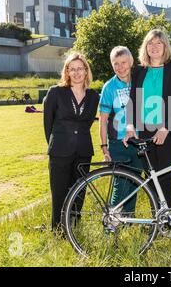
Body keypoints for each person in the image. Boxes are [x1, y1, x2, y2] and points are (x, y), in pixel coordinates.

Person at [124, 29, 171, 208]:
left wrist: (165, 128)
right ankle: (157, 218)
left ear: (165, 46)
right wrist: (130, 125)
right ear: (145, 47)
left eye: (158, 43)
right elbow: (132, 101)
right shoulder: (138, 71)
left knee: (165, 174)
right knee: (150, 175)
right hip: (144, 129)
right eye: (150, 43)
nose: (154, 47)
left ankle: (167, 219)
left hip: (169, 130)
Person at [43, 52, 99, 233]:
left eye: (80, 69)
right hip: (59, 150)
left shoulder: (93, 96)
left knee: (79, 192)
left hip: (83, 150)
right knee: (59, 193)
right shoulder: (55, 92)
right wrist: (56, 144)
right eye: (72, 69)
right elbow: (47, 124)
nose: (76, 73)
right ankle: (58, 230)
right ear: (67, 71)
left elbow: (88, 122)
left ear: (86, 71)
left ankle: (74, 226)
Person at [99, 46, 143, 215]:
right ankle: (111, 225)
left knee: (135, 183)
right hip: (118, 143)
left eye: (123, 62)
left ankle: (128, 222)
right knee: (120, 184)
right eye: (116, 64)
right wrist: (104, 147)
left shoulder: (140, 80)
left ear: (131, 62)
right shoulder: (109, 87)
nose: (120, 67)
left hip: (139, 142)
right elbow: (103, 120)